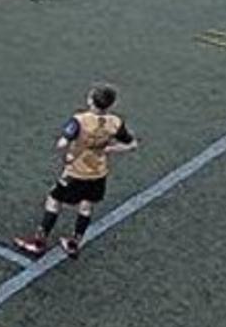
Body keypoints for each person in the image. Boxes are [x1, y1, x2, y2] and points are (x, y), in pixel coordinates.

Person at [13, 85, 138, 259]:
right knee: (86, 205)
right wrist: (108, 149)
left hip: (76, 173)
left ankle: (38, 243)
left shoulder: (80, 120)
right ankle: (74, 243)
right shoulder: (115, 122)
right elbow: (131, 145)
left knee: (54, 200)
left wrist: (68, 150)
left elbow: (62, 143)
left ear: (90, 100)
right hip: (98, 174)